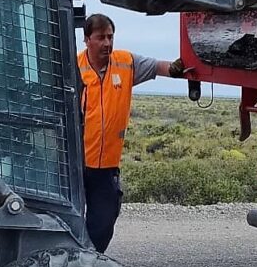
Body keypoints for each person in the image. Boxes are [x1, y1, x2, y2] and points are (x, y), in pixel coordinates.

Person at [78, 13, 186, 253]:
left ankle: (89, 261)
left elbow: (160, 67)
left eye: (110, 37)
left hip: (106, 165)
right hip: (77, 165)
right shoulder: (74, 68)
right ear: (87, 39)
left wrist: (182, 68)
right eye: (100, 37)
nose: (107, 43)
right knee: (70, 220)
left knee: (104, 223)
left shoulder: (126, 62)